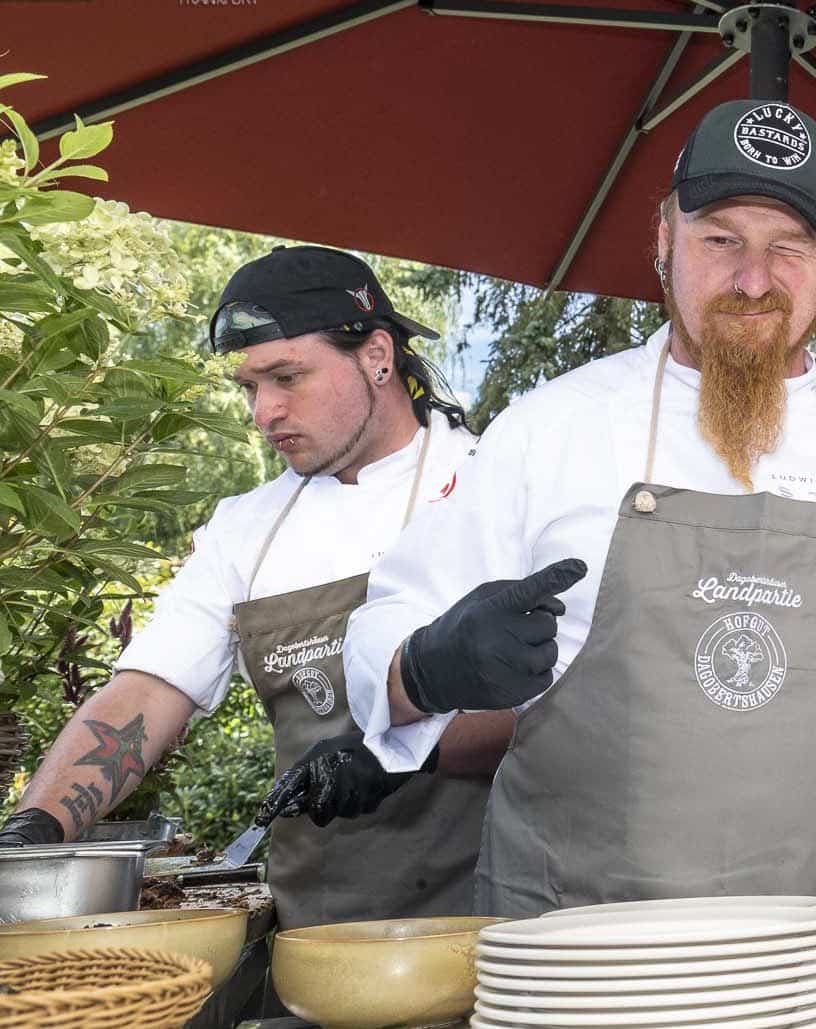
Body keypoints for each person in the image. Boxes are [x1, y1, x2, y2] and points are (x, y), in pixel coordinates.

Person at [344, 100, 816, 932]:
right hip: (577, 956)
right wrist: (428, 665)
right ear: (664, 238)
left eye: (788, 247)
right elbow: (380, 631)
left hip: (811, 954)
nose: (753, 280)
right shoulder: (550, 431)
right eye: (721, 239)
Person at [0, 247, 499, 930]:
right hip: (319, 930)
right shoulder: (247, 527)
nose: (264, 412)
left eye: (287, 376)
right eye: (249, 387)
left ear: (378, 356)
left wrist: (407, 750)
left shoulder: (492, 484)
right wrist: (35, 828)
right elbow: (146, 692)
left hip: (497, 922)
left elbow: (570, 704)